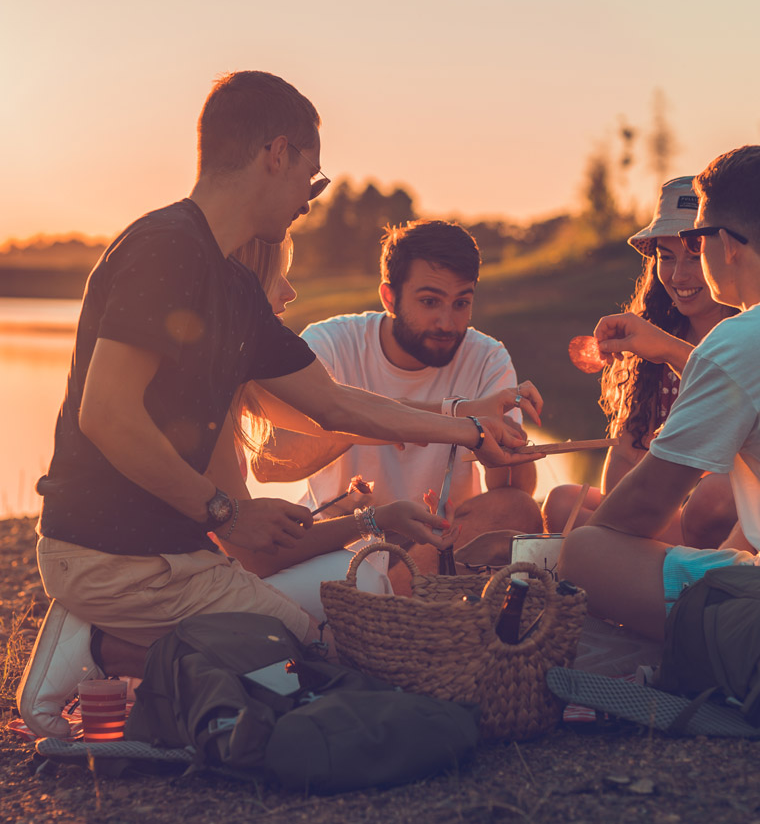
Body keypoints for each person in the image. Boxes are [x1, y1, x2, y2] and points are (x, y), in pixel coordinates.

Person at [17, 70, 539, 739]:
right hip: (108, 557)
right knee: (306, 659)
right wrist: (226, 513)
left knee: (311, 657)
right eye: (311, 177)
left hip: (179, 562)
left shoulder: (232, 286)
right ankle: (94, 640)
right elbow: (107, 415)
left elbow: (335, 404)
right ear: (277, 153)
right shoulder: (163, 248)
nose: (310, 199)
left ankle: (117, 637)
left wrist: (468, 429)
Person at [558, 145, 760, 641]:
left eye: (695, 238)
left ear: (728, 244)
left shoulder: (741, 341)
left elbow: (634, 514)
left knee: (585, 549)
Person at [250, 220, 544, 590]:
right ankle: (394, 601)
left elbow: (514, 495)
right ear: (389, 297)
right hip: (343, 533)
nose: (447, 322)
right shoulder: (331, 343)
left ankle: (381, 601)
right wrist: (447, 414)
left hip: (440, 537)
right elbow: (268, 462)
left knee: (519, 510)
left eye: (462, 303)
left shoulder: (487, 357)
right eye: (429, 302)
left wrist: (506, 443)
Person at [218, 235, 465, 617]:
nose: (290, 292)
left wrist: (466, 421)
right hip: (181, 588)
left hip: (215, 573)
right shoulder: (209, 395)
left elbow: (349, 413)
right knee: (360, 580)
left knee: (360, 571)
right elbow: (257, 557)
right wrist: (374, 519)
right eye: (277, 276)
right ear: (242, 285)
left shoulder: (240, 382)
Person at [543, 177, 738, 547]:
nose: (679, 276)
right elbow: (618, 484)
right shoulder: (650, 345)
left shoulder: (743, 333)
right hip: (654, 514)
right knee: (561, 502)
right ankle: (612, 544)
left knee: (714, 496)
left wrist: (667, 348)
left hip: (724, 517)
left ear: (725, 252)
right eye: (666, 257)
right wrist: (629, 449)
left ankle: (605, 545)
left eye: (695, 255)